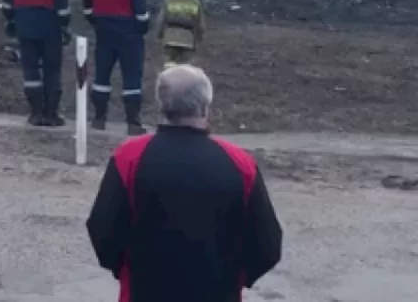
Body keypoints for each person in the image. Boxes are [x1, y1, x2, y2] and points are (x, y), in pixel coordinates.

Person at [86, 65, 283, 302]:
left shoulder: (129, 157)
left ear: (163, 104)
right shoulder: (239, 163)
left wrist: (127, 270)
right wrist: (234, 278)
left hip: (144, 291)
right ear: (204, 106)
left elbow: (103, 228)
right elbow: (267, 244)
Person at [2, 0, 71, 127]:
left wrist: (11, 20)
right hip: (50, 27)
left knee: (30, 70)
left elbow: (8, 0)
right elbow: (62, 6)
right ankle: (51, 113)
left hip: (24, 24)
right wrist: (65, 26)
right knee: (52, 70)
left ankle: (35, 113)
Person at [84, 0, 150, 135]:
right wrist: (142, 28)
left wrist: (98, 23)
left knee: (101, 76)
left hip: (103, 33)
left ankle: (99, 118)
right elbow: (141, 13)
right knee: (131, 77)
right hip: (129, 34)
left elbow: (87, 8)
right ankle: (133, 122)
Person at [158, 0, 204, 65]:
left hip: (170, 38)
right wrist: (198, 39)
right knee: (185, 68)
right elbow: (200, 25)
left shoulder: (169, 0)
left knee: (169, 66)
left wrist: (160, 35)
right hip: (187, 40)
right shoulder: (195, 2)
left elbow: (161, 20)